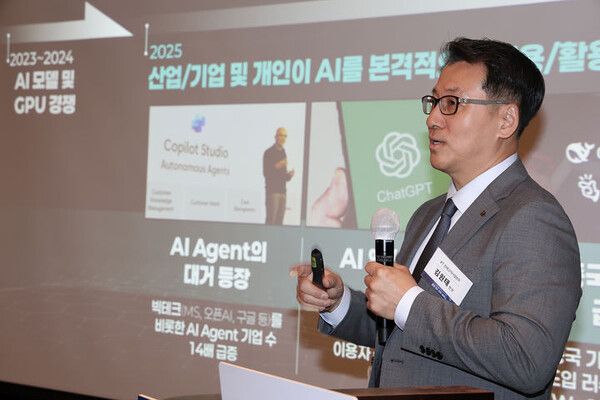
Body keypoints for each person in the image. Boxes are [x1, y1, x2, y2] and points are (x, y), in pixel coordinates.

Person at [293, 37, 581, 400]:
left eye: (452, 104)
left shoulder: (534, 219)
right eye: (434, 102)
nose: (432, 119)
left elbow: (526, 359)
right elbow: (401, 335)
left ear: (506, 120)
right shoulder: (428, 214)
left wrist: (409, 303)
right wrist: (338, 303)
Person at [263, 127, 294, 224]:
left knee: (279, 223)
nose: (283, 138)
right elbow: (266, 173)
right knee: (271, 221)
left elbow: (282, 176)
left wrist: (289, 176)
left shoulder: (283, 153)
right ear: (276, 137)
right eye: (281, 135)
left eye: (285, 136)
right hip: (273, 192)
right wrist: (278, 165)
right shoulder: (268, 152)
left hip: (283, 192)